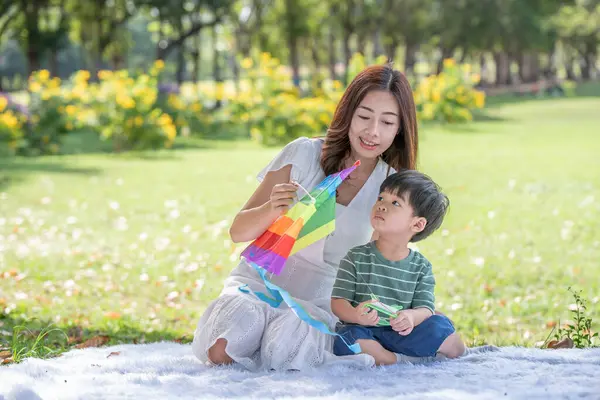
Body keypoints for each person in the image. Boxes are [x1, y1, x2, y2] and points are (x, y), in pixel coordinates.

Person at [192, 63, 420, 371]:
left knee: (285, 349)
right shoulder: (303, 153)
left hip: (318, 303)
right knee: (223, 348)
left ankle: (277, 343)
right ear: (348, 113)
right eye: (364, 116)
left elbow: (380, 267)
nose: (373, 131)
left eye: (387, 122)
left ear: (399, 130)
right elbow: (238, 231)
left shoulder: (390, 187)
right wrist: (271, 209)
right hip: (259, 285)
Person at [331, 170, 466, 365]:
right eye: (381, 198)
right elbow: (338, 302)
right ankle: (397, 360)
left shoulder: (421, 266)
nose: (382, 206)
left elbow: (425, 308)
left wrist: (411, 317)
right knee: (348, 339)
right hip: (367, 330)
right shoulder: (355, 257)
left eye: (395, 203)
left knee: (441, 327)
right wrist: (355, 315)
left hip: (404, 332)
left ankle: (433, 351)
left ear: (418, 224)